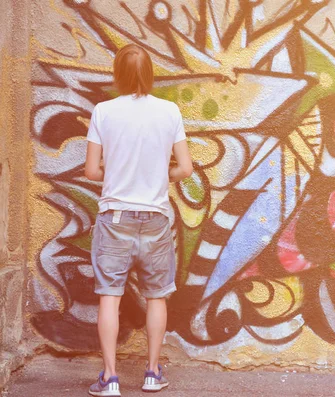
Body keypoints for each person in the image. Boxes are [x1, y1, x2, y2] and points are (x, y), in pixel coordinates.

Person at [84, 43, 193, 396]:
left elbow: (90, 170)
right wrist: (160, 176)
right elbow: (186, 168)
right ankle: (151, 372)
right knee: (157, 296)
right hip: (156, 217)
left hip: (115, 217)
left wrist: (117, 173)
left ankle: (110, 378)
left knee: (109, 296)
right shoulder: (169, 111)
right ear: (150, 74)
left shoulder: (103, 111)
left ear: (118, 74)